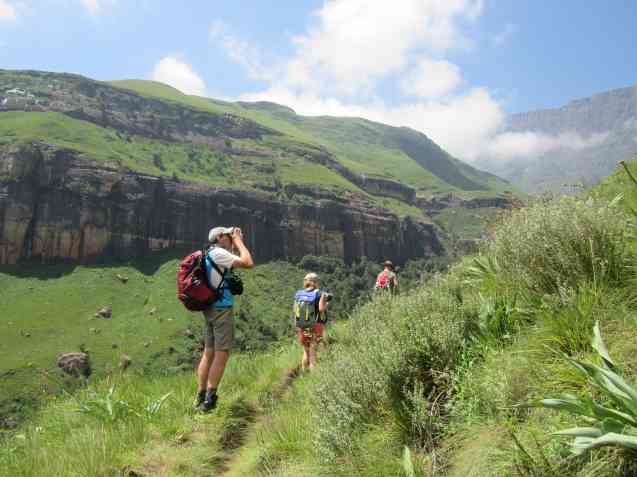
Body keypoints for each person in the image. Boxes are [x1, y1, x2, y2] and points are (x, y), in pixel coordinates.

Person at [195, 226, 254, 412]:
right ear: (219, 237)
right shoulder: (219, 253)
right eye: (227, 235)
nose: (230, 237)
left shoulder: (209, 253)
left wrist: (234, 245)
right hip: (221, 309)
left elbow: (233, 263)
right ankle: (210, 400)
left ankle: (200, 396)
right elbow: (248, 263)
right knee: (222, 353)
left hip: (210, 307)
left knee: (208, 352)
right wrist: (239, 241)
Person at [293, 273, 329, 372]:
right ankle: (313, 378)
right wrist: (326, 304)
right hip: (315, 326)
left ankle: (304, 374)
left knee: (306, 351)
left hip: (302, 326)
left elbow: (295, 310)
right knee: (313, 354)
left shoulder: (298, 294)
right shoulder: (319, 294)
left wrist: (297, 325)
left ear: (305, 282)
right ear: (316, 283)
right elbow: (321, 309)